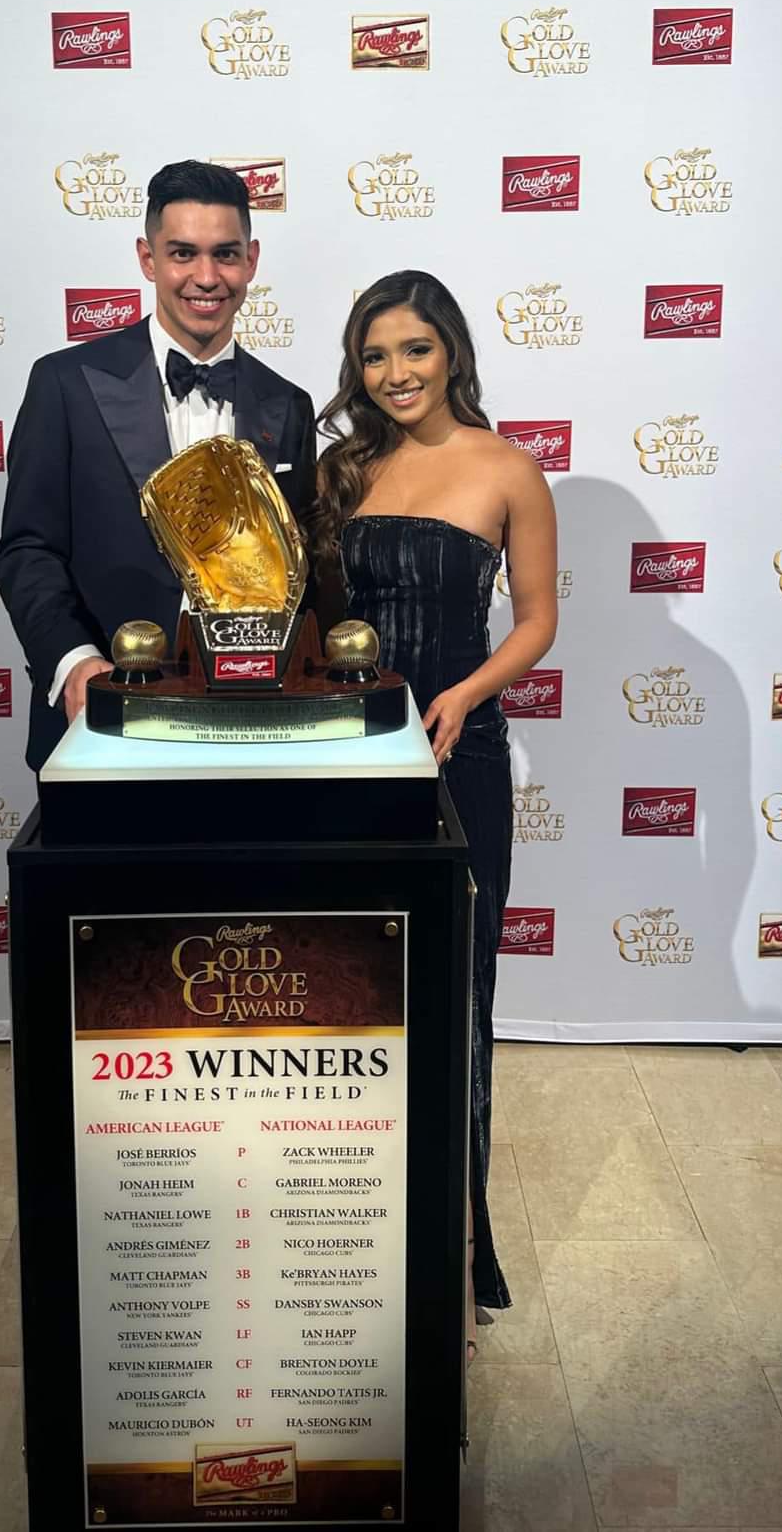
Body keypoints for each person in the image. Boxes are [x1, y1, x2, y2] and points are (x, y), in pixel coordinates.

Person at [310, 269, 558, 1360]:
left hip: (462, 759)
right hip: (353, 761)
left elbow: (539, 621)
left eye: (414, 350)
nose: (396, 374)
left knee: (459, 998)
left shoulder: (508, 468)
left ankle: (460, 1248)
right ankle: (349, 1238)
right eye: (374, 356)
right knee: (354, 990)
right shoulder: (340, 470)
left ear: (450, 350)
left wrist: (464, 693)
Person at [0, 160, 317, 770]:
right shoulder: (64, 384)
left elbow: (301, 570)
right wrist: (74, 662)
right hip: (101, 721)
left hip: (256, 729)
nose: (206, 277)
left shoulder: (289, 405)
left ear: (251, 259)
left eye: (225, 254)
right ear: (147, 259)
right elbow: (26, 550)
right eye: (182, 253)